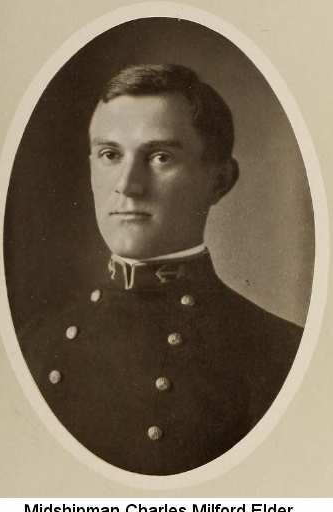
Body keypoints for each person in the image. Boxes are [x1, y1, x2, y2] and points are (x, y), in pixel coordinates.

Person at [19, 64, 303, 475]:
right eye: (110, 155)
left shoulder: (281, 356)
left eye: (160, 156)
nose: (128, 184)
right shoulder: (33, 342)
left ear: (220, 180)